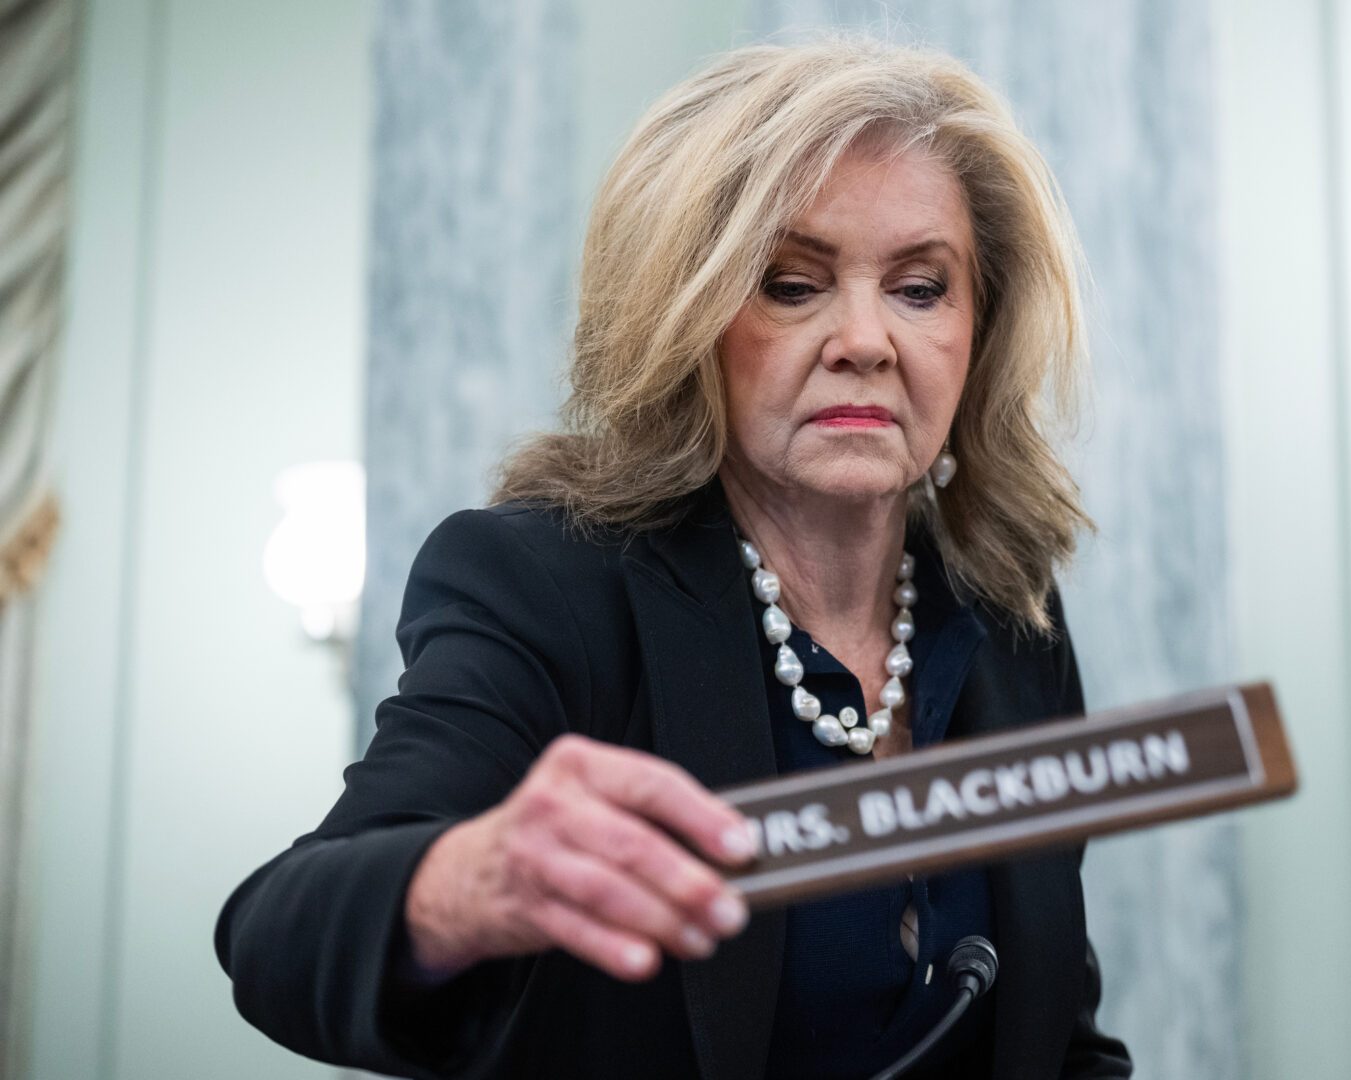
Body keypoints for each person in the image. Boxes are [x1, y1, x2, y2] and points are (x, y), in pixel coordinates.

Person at [217, 36, 1132, 1080]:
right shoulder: (546, 587)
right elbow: (276, 935)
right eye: (793, 284)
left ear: (981, 332)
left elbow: (1052, 1029)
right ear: (686, 314)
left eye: (921, 289)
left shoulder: (1008, 622)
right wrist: (470, 880)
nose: (867, 340)